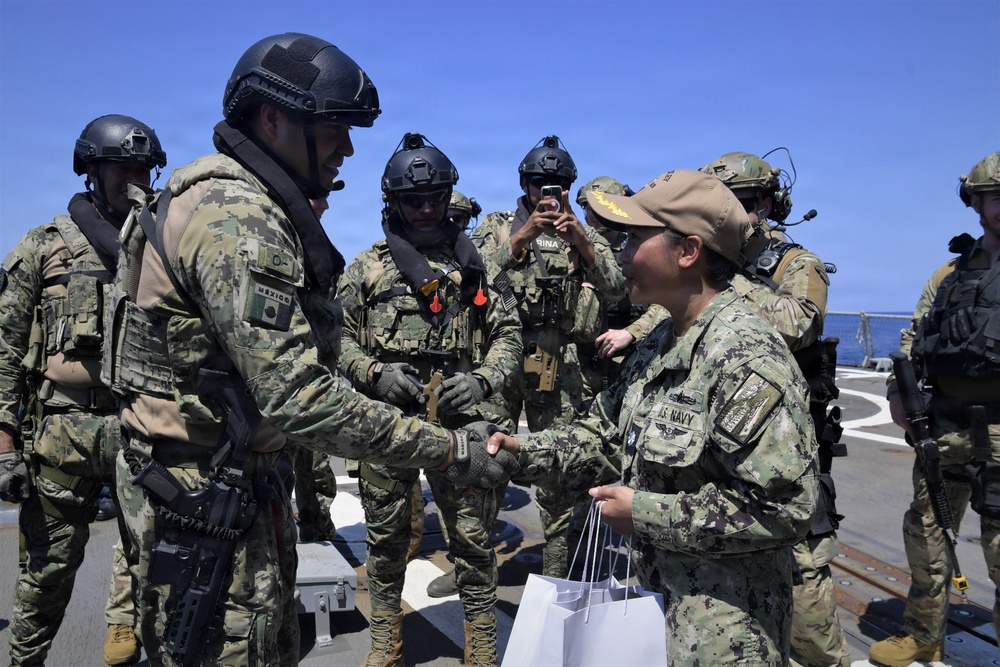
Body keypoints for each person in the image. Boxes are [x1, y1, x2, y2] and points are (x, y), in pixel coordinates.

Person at [102, 33, 516, 667]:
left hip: (220, 487)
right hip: (208, 502)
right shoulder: (238, 219)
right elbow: (301, 397)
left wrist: (480, 385)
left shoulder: (217, 198)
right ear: (274, 119)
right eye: (334, 129)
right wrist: (452, 448)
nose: (347, 148)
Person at [488, 169, 820, 667]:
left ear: (688, 251)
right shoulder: (661, 341)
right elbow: (602, 432)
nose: (620, 254)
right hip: (655, 612)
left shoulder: (745, 357)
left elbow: (785, 507)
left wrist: (642, 512)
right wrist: (518, 451)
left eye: (634, 239)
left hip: (726, 637)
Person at [337, 132, 521, 666]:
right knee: (386, 540)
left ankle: (481, 646)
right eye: (413, 199)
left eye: (435, 198)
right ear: (391, 201)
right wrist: (373, 372)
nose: (425, 208)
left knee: (471, 539)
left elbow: (509, 334)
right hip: (386, 423)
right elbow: (335, 338)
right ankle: (385, 644)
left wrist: (483, 381)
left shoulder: (478, 267)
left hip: (459, 425)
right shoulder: (369, 267)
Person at [0, 114, 166, 666]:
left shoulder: (163, 247)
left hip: (143, 432)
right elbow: (4, 350)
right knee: (45, 576)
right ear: (91, 171)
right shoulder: (43, 247)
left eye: (143, 169)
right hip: (60, 440)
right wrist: (4, 447)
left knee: (159, 570)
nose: (134, 180)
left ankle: (131, 635)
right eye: (122, 168)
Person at [701, 151, 848, 667]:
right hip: (719, 435)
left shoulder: (795, 263)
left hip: (785, 439)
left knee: (804, 575)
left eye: (739, 202)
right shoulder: (708, 260)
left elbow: (797, 323)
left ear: (764, 205)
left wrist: (726, 283)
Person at [471, 135, 625, 578]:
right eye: (540, 183)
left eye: (558, 184)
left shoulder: (582, 232)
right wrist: (523, 237)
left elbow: (617, 287)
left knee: (560, 467)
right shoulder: (498, 225)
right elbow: (471, 274)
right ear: (524, 184)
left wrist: (583, 243)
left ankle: (557, 572)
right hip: (501, 354)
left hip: (558, 360)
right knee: (486, 459)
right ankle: (474, 565)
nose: (548, 192)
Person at [868, 151, 1000, 667]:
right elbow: (916, 336)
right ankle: (924, 635)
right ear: (976, 203)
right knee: (926, 534)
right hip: (943, 427)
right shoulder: (950, 274)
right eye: (994, 197)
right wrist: (898, 395)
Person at [574, 176, 665, 402]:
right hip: (580, 362)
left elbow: (663, 303)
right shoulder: (572, 250)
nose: (592, 215)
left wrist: (631, 332)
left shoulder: (639, 250)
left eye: (600, 207)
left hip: (629, 357)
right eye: (587, 208)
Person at [289, 194, 339, 542]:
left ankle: (317, 528)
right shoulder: (275, 238)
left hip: (319, 373)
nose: (323, 205)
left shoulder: (321, 249)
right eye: (315, 198)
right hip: (279, 375)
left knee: (316, 463)